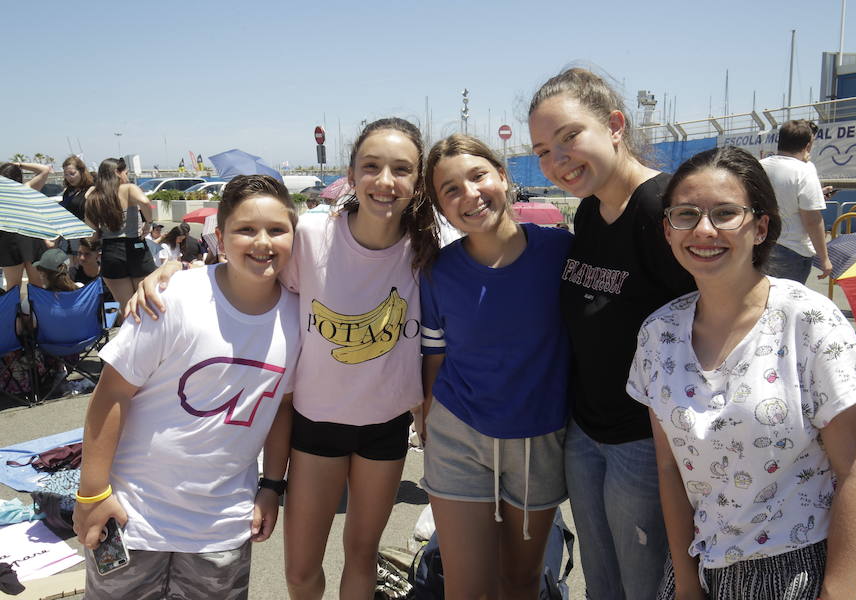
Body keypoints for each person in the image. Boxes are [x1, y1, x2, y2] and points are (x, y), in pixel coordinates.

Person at [125, 118, 440, 599]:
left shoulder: (430, 249)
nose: (385, 181)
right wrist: (177, 270)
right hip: (315, 426)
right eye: (371, 166)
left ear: (417, 182)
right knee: (300, 571)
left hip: (386, 425)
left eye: (402, 169)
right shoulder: (313, 235)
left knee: (361, 557)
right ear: (351, 175)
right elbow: (250, 263)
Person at [628, 146, 856, 600]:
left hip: (805, 570)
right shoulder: (657, 334)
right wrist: (686, 583)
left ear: (761, 226)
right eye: (686, 215)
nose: (704, 230)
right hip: (705, 566)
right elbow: (669, 469)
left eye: (726, 213)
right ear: (668, 231)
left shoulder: (810, 321)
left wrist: (839, 592)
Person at [72, 175, 302, 600]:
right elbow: (111, 393)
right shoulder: (172, 297)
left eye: (277, 229)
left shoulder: (299, 317)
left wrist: (272, 486)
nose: (262, 242)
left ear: (295, 234)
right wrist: (92, 492)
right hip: (131, 516)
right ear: (219, 237)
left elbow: (281, 407)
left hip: (222, 525)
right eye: (245, 229)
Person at [528, 67, 697, 599]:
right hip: (587, 432)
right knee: (602, 582)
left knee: (643, 584)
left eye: (569, 138)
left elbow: (705, 323)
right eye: (542, 151)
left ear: (616, 125)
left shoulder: (660, 207)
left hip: (644, 440)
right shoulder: (591, 211)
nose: (558, 161)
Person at [419, 134, 572, 598]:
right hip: (457, 436)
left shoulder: (563, 252)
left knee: (520, 582)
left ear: (503, 176)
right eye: (450, 189)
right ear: (441, 208)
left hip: (539, 439)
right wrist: (424, 421)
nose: (469, 194)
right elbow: (434, 356)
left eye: (478, 175)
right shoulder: (436, 271)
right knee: (466, 588)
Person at [760, 120, 832, 284]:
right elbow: (812, 220)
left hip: (761, 244)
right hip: (792, 250)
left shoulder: (760, 166)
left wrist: (818, 195)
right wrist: (824, 258)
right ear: (808, 145)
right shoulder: (804, 170)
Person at [83, 158, 156, 312]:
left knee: (127, 309)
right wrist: (148, 223)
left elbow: (91, 235)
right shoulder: (128, 189)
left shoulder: (94, 197)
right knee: (148, 303)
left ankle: (131, 335)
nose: (127, 177)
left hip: (111, 252)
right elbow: (145, 202)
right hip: (136, 248)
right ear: (117, 172)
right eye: (125, 173)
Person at [0, 161, 53, 289]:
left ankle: (15, 309)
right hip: (31, 240)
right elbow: (45, 169)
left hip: (9, 242)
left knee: (13, 288)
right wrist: (19, 164)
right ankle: (37, 309)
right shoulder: (27, 189)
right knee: (38, 286)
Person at [61, 155, 93, 222]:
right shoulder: (68, 191)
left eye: (72, 173)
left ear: (81, 172)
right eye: (66, 174)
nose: (69, 177)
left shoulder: (91, 189)